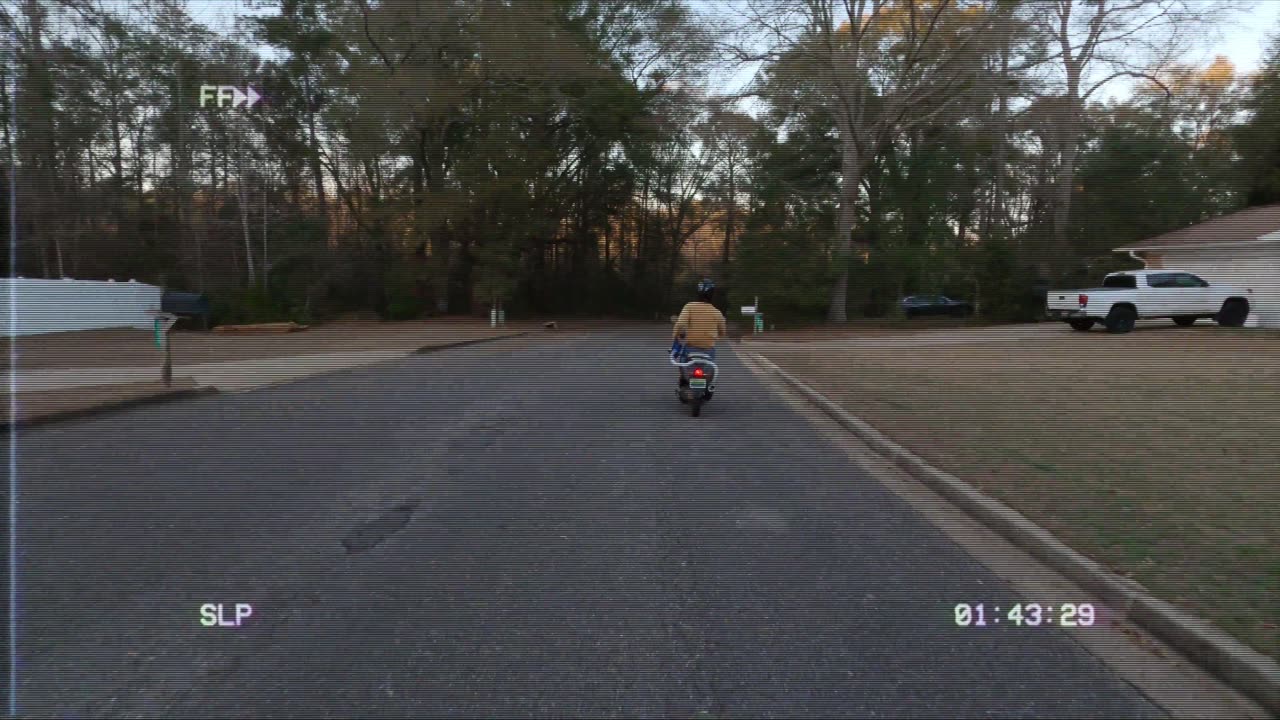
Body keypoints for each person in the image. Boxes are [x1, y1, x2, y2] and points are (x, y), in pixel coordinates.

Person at [672, 278, 728, 396]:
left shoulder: (689, 307)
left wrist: (676, 337)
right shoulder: (717, 312)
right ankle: (708, 386)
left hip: (690, 347)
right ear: (712, 294)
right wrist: (716, 336)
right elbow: (723, 332)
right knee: (709, 366)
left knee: (682, 362)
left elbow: (681, 323)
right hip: (708, 349)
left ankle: (683, 380)